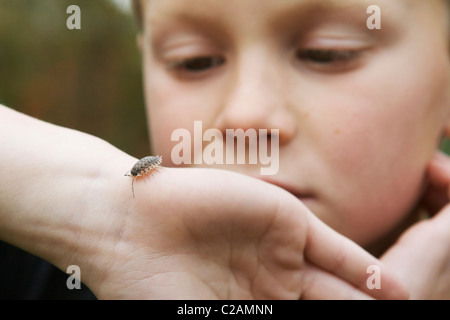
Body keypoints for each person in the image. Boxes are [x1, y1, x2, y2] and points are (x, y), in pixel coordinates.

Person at [0, 0, 448, 299]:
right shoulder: (44, 262)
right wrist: (90, 209)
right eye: (192, 60)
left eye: (326, 52)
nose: (245, 116)